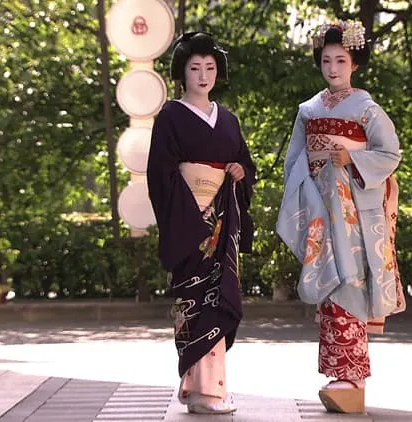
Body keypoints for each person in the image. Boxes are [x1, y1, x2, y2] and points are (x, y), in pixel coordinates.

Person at [276, 20, 406, 414]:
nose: (333, 68)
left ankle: (353, 378)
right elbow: (294, 161)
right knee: (330, 281)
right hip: (319, 202)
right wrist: (309, 189)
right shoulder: (308, 110)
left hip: (353, 208)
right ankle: (340, 375)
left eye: (341, 60)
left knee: (351, 280)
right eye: (327, 60)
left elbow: (390, 154)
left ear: (354, 64)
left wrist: (351, 157)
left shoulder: (367, 109)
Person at [147, 32, 256, 415]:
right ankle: (199, 389)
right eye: (195, 68)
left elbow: (245, 165)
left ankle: (209, 390)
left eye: (210, 67)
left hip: (222, 222)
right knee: (193, 301)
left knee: (218, 300)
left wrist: (240, 172)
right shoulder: (170, 116)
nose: (203, 75)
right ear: (182, 72)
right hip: (188, 224)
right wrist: (191, 209)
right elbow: (160, 174)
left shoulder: (228, 119)